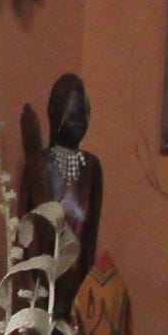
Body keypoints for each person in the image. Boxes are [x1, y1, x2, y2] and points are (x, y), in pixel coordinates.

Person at [18, 72, 102, 320]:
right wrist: (34, 286)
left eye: (84, 115)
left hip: (78, 286)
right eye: (73, 115)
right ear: (55, 114)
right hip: (42, 285)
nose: (80, 123)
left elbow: (91, 235)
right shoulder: (39, 164)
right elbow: (25, 227)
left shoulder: (92, 166)